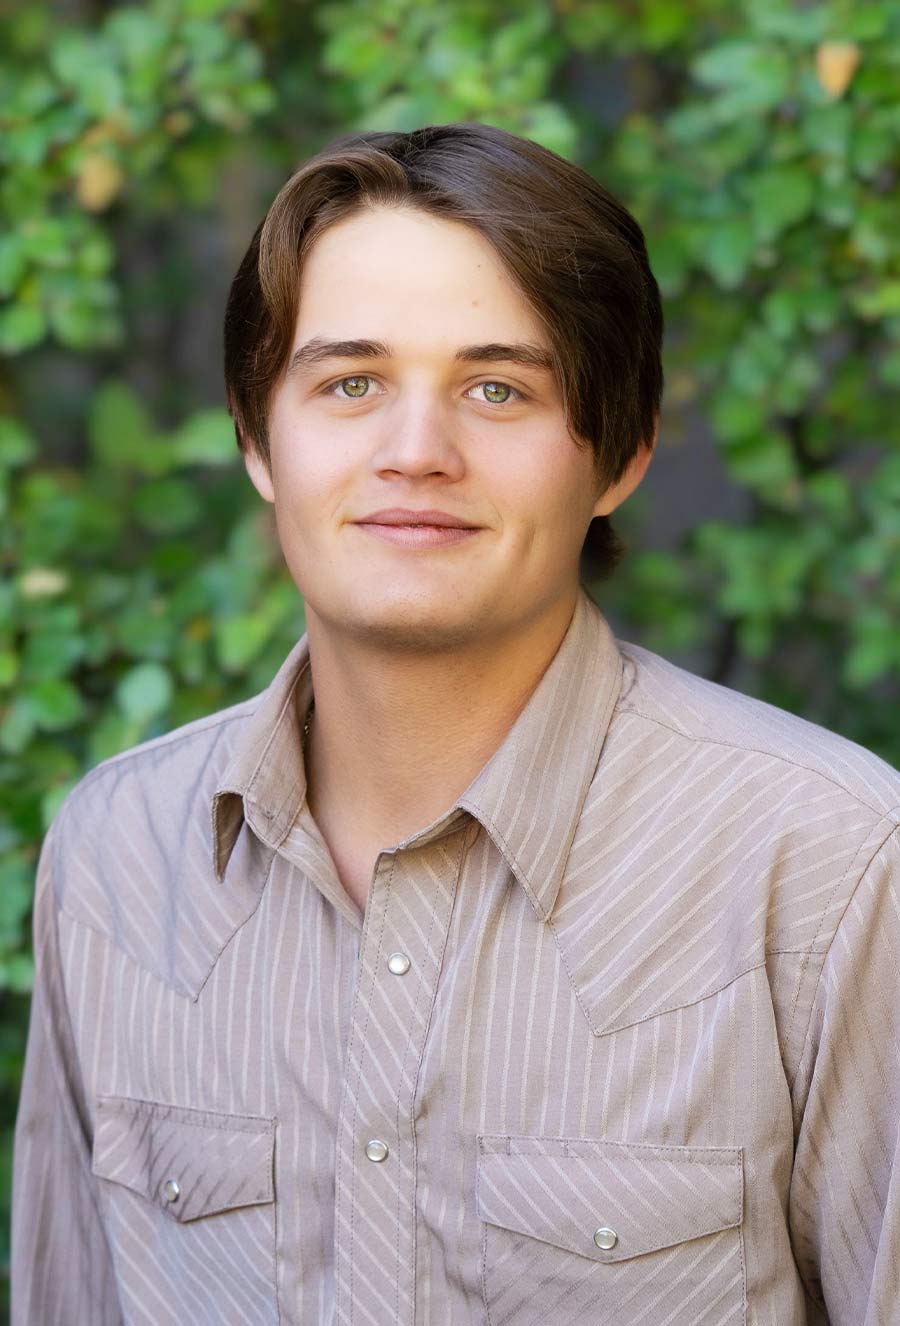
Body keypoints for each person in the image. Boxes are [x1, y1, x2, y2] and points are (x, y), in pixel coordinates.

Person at [11, 122, 900, 1326]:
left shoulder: (836, 868)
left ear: (623, 450)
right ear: (255, 435)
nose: (415, 453)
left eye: (497, 388)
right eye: (350, 384)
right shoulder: (120, 857)